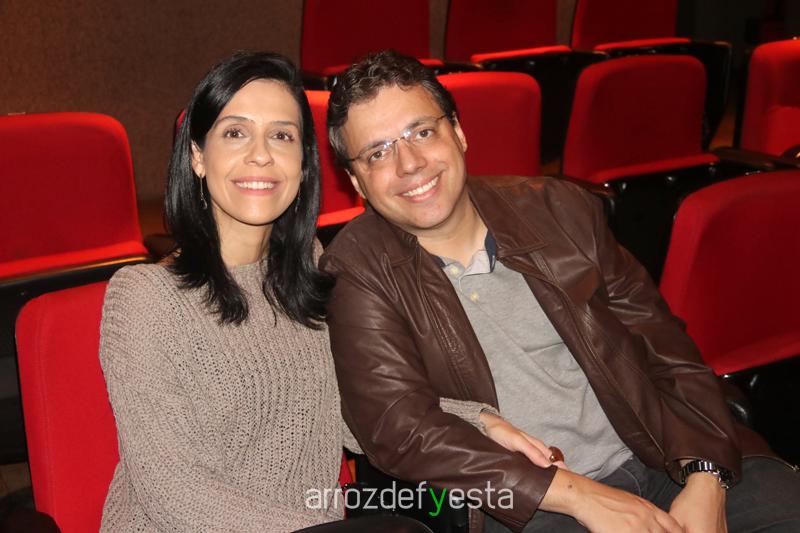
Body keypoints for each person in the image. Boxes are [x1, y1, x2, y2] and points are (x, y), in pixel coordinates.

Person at [320, 50, 800, 533]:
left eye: (422, 132)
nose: (409, 163)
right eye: (378, 153)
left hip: (663, 452)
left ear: (458, 133)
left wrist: (706, 475)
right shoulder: (357, 271)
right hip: (533, 503)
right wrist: (580, 497)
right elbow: (400, 428)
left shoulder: (560, 208)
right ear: (356, 180)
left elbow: (665, 344)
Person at [98, 51, 431, 533]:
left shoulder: (311, 269)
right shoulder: (145, 299)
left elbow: (360, 411)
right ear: (197, 156)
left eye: (282, 136)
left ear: (304, 165)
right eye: (235, 133)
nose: (261, 155)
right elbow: (177, 494)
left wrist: (477, 422)